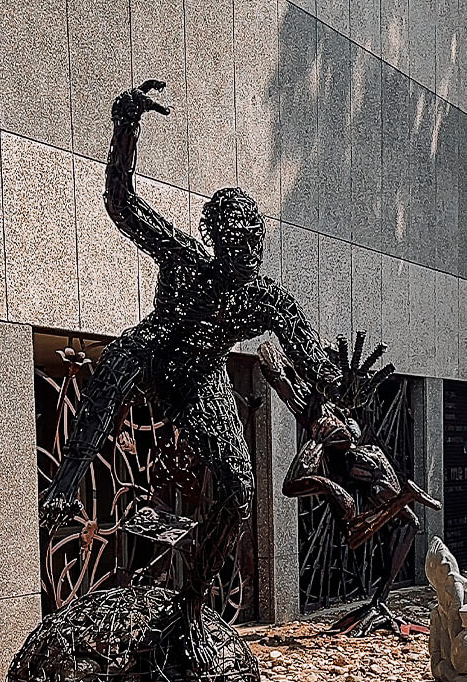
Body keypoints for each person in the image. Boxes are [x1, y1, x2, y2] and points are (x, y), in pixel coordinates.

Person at [39, 78, 350, 613]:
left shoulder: (265, 299)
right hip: (158, 351)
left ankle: (193, 597)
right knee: (121, 358)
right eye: (235, 242)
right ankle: (69, 478)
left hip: (202, 378)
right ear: (214, 239)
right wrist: (126, 123)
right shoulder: (185, 258)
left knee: (239, 489)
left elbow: (308, 353)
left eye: (253, 242)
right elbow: (122, 202)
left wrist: (334, 380)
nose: (246, 253)